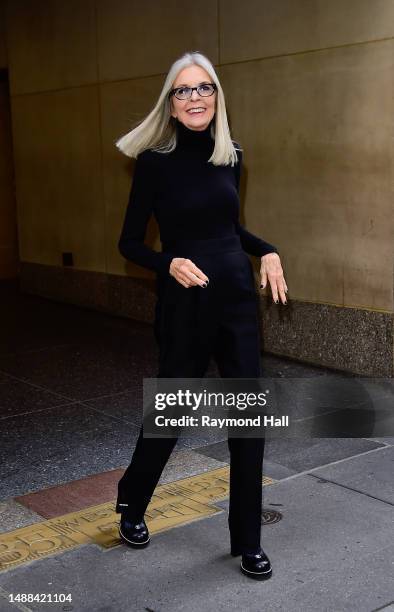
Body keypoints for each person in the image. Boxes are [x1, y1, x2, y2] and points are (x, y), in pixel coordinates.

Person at [114, 51, 288, 580]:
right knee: (170, 415)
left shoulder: (231, 154)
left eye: (204, 88)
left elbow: (229, 230)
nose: (196, 98)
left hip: (236, 299)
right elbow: (128, 244)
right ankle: (132, 502)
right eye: (184, 90)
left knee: (248, 421)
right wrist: (169, 262)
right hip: (186, 303)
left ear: (217, 96)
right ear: (170, 104)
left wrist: (269, 249)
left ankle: (248, 540)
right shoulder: (155, 163)